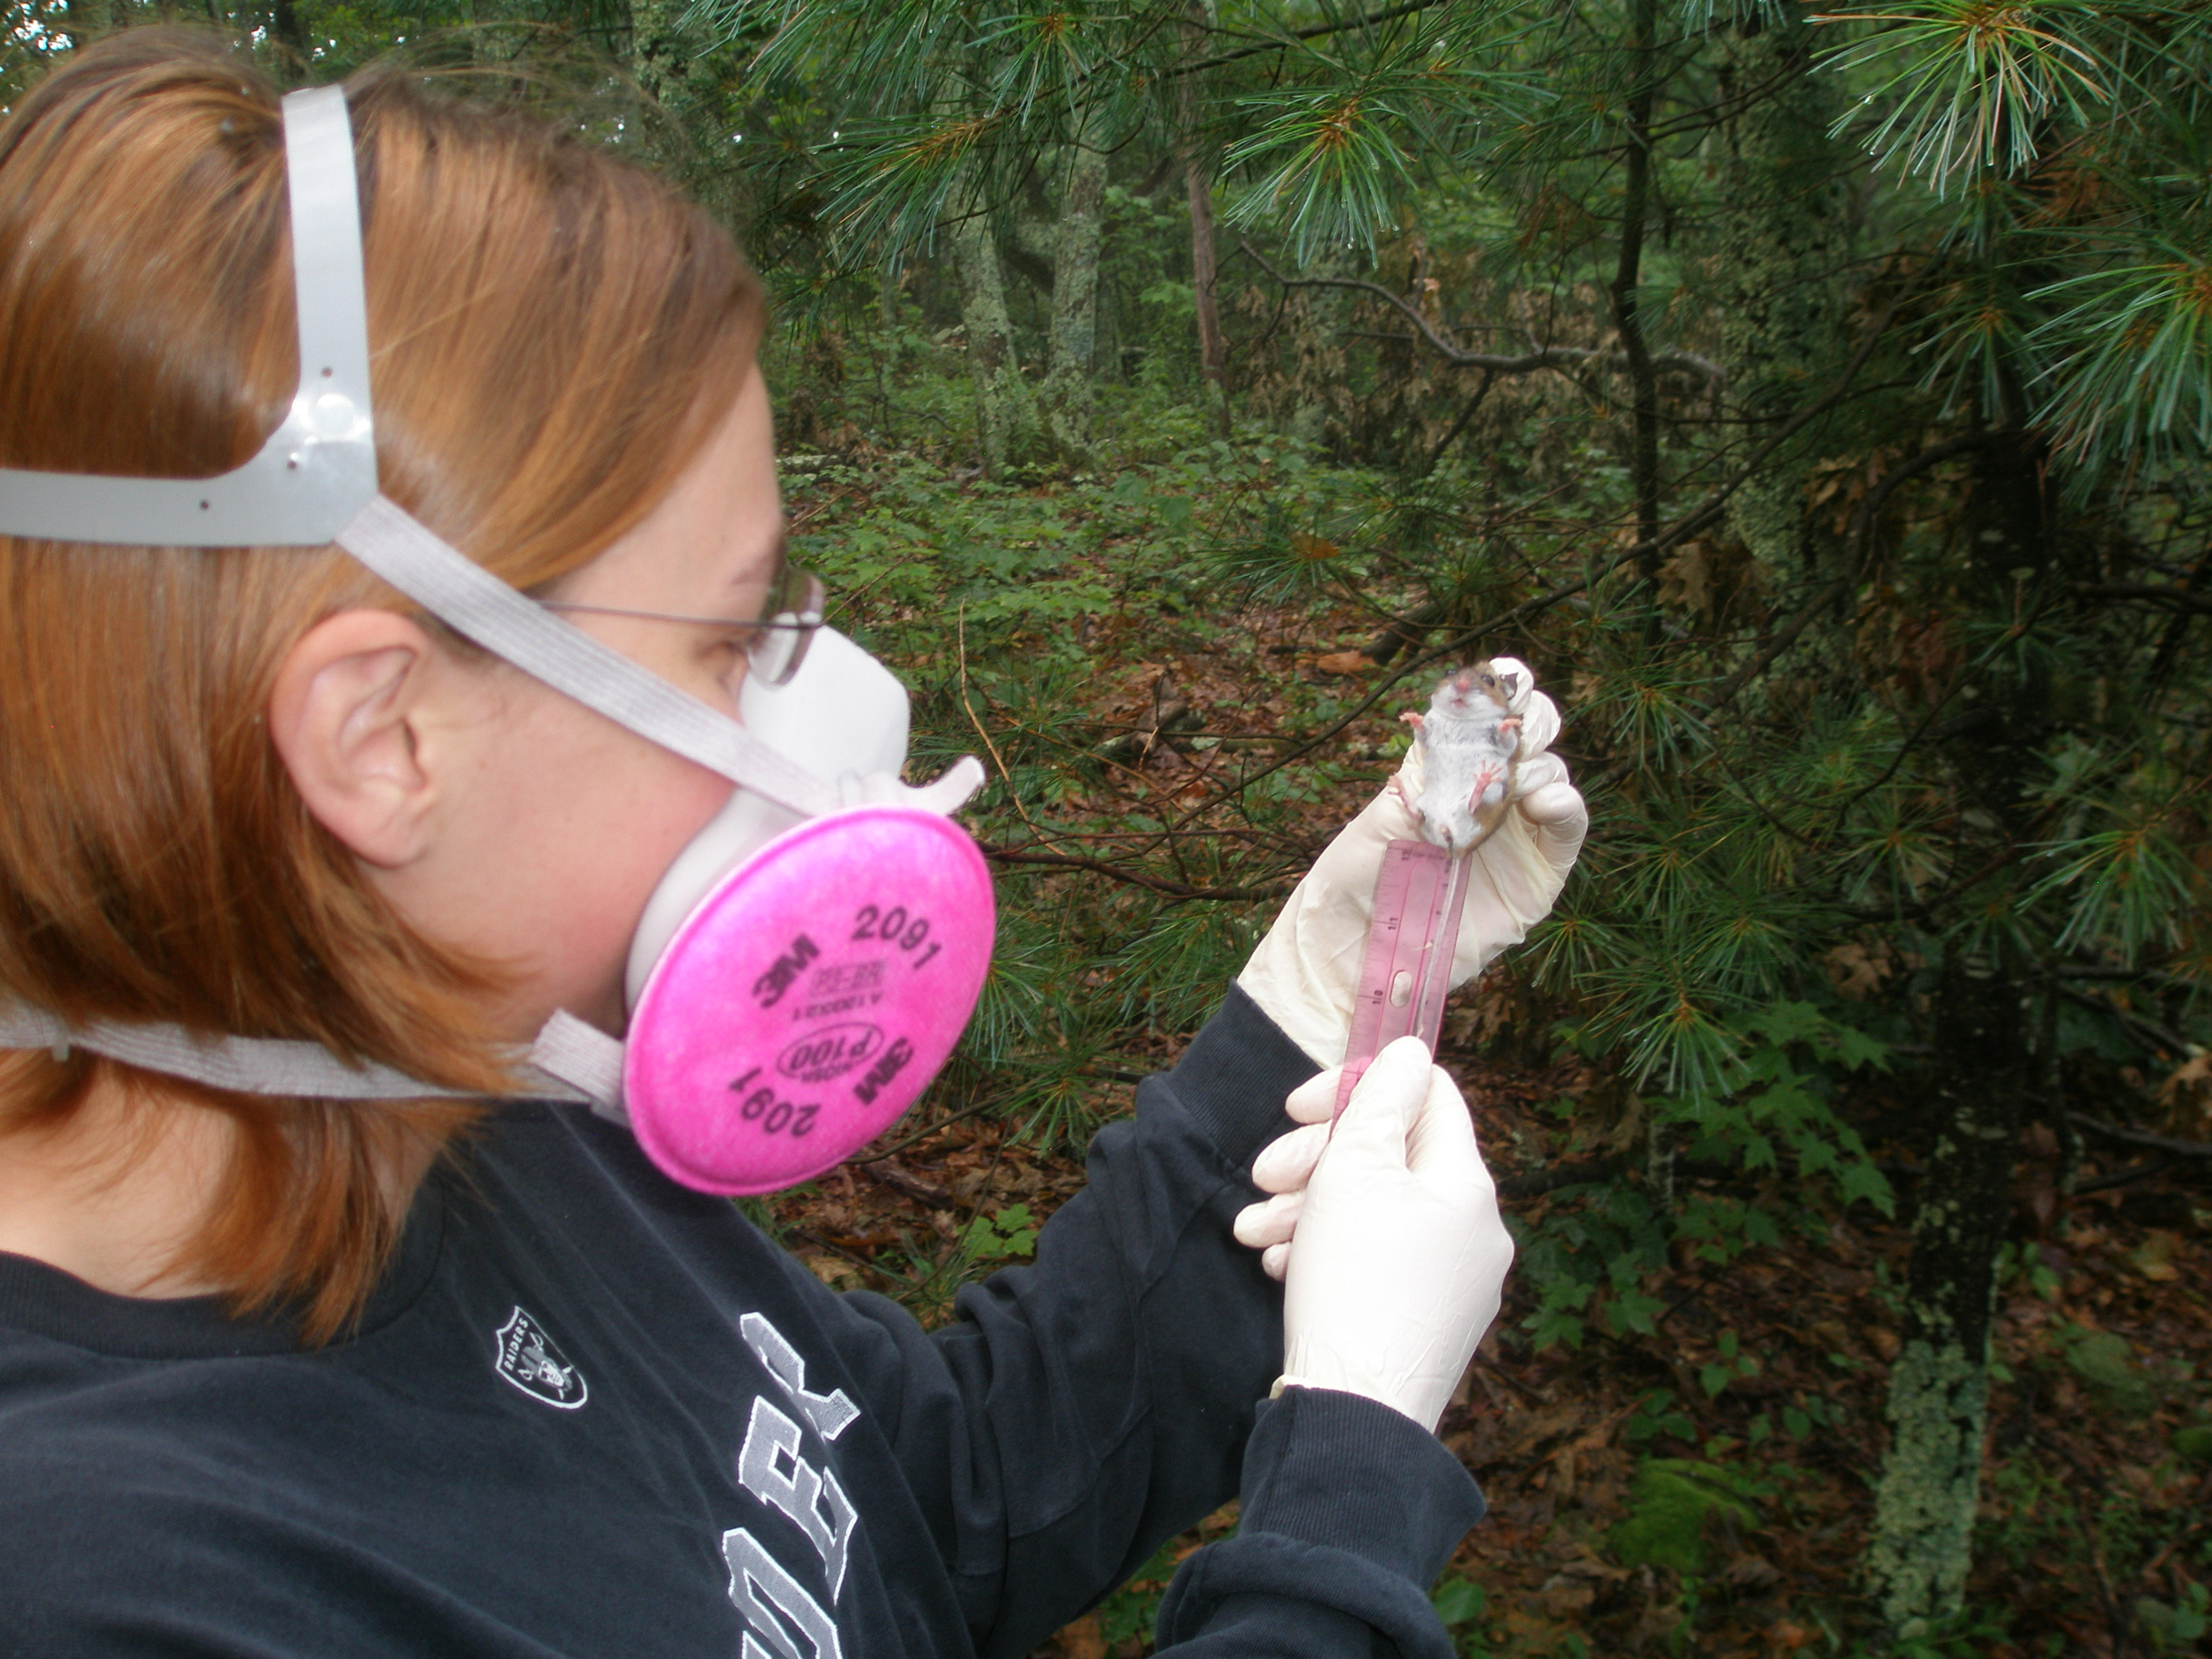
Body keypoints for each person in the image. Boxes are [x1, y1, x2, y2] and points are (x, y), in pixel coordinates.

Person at [0, 29, 1588, 1659]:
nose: (817, 698)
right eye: (732, 631)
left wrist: (1326, 996)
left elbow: (940, 1498)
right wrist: (1347, 1495)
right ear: (381, 739)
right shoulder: (111, 1585)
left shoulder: (482, 1101)